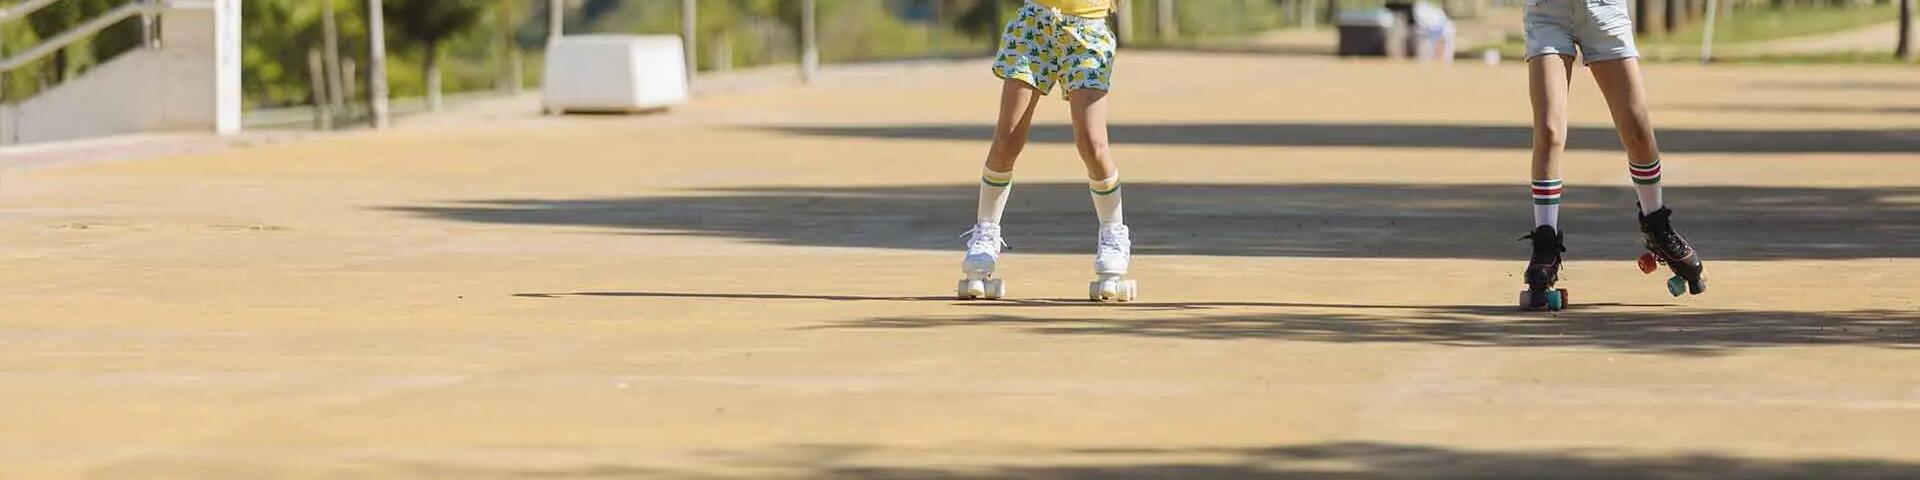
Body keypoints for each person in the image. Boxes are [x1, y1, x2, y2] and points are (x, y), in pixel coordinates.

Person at [1519, 0, 1705, 311]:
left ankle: (1656, 225)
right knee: (1550, 131)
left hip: (1603, 10)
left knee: (1636, 128)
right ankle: (1545, 242)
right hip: (1547, 12)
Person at [957, 0, 1134, 302]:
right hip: (1035, 27)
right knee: (1008, 137)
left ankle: (1113, 234)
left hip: (1089, 30)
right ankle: (985, 233)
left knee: (1092, 144)